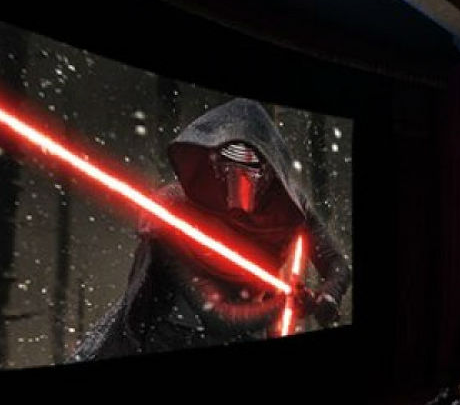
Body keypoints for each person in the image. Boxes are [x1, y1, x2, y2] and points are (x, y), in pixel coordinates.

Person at [72, 98, 351, 361]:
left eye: (249, 171)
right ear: (213, 165)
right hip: (175, 337)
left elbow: (335, 263)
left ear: (268, 172)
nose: (238, 184)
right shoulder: (174, 211)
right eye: (228, 168)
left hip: (247, 331)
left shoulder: (289, 206)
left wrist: (328, 296)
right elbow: (216, 316)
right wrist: (283, 304)